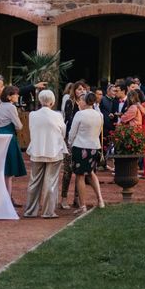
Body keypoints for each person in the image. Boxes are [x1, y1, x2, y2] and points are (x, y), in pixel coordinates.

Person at [24, 90, 68, 218]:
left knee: (34, 181)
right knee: (51, 182)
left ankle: (30, 211)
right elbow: (63, 132)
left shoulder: (33, 115)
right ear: (52, 102)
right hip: (54, 150)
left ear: (40, 100)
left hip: (37, 150)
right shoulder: (58, 115)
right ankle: (48, 211)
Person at [68, 92, 105, 214]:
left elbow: (72, 133)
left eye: (81, 100)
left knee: (80, 176)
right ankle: (100, 200)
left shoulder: (80, 114)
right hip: (94, 147)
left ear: (85, 101)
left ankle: (82, 205)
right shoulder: (99, 115)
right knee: (92, 173)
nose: (79, 103)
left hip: (80, 146)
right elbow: (100, 131)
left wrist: (69, 145)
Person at [0, 86, 26, 205]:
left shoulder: (0, 106)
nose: (17, 96)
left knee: (2, 169)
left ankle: (5, 197)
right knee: (9, 171)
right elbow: (19, 126)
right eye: (15, 94)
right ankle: (7, 199)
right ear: (9, 96)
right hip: (8, 137)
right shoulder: (11, 107)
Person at [61, 80, 86, 209]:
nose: (81, 91)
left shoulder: (88, 105)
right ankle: (64, 198)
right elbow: (68, 120)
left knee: (80, 170)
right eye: (79, 89)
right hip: (70, 138)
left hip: (82, 140)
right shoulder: (70, 102)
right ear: (74, 91)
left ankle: (77, 198)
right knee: (68, 170)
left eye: (83, 89)